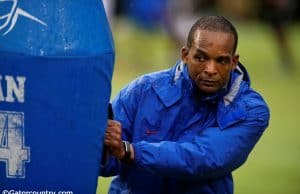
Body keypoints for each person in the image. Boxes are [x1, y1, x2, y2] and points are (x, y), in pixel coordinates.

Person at [101, 16, 270, 194]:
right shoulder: (142, 90)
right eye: (201, 58)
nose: (211, 70)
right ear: (185, 55)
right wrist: (103, 145)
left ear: (234, 62)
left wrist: (131, 151)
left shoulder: (251, 110)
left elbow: (204, 158)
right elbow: (106, 161)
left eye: (221, 61)